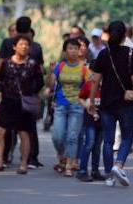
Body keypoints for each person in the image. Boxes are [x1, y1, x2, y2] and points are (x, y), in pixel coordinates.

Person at [90, 21, 133, 187]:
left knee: (108, 140)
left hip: (107, 102)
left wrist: (92, 101)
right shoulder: (131, 53)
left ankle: (109, 176)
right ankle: (118, 164)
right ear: (125, 35)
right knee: (127, 137)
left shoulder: (103, 54)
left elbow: (96, 81)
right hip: (125, 103)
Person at [0, 35, 44, 175]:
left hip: (24, 104)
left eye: (26, 45)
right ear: (14, 47)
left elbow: (40, 82)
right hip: (7, 101)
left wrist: (30, 92)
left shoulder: (33, 64)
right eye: (21, 44)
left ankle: (24, 163)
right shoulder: (6, 63)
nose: (24, 47)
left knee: (24, 133)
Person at [48, 38, 87, 177]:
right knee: (57, 136)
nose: (74, 51)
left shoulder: (83, 68)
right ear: (65, 51)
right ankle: (62, 155)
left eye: (76, 48)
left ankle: (69, 165)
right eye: (70, 48)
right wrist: (51, 72)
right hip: (60, 105)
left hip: (77, 106)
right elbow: (50, 85)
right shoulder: (60, 66)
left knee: (72, 136)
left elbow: (89, 85)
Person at [77, 62, 105, 182]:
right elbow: (81, 98)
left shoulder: (107, 86)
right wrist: (87, 106)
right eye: (93, 73)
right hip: (90, 120)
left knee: (97, 146)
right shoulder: (89, 85)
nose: (96, 75)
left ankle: (95, 170)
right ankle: (82, 170)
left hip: (103, 119)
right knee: (89, 143)